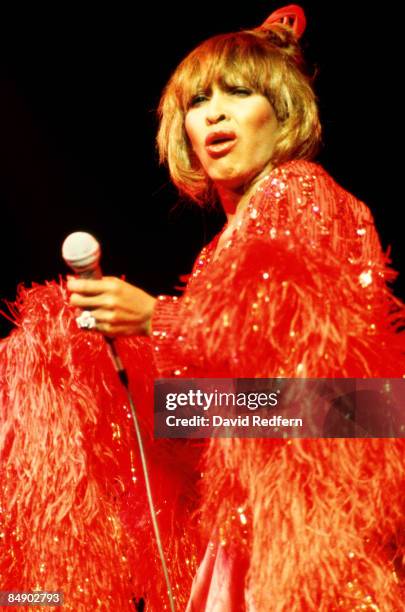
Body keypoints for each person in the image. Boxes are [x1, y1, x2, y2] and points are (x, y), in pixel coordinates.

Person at [1, 4, 405, 611]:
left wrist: (154, 321)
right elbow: (235, 415)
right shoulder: (220, 251)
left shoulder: (299, 192)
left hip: (304, 546)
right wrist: (105, 370)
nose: (214, 111)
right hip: (241, 540)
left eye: (239, 93)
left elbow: (355, 410)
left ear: (284, 112)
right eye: (198, 101)